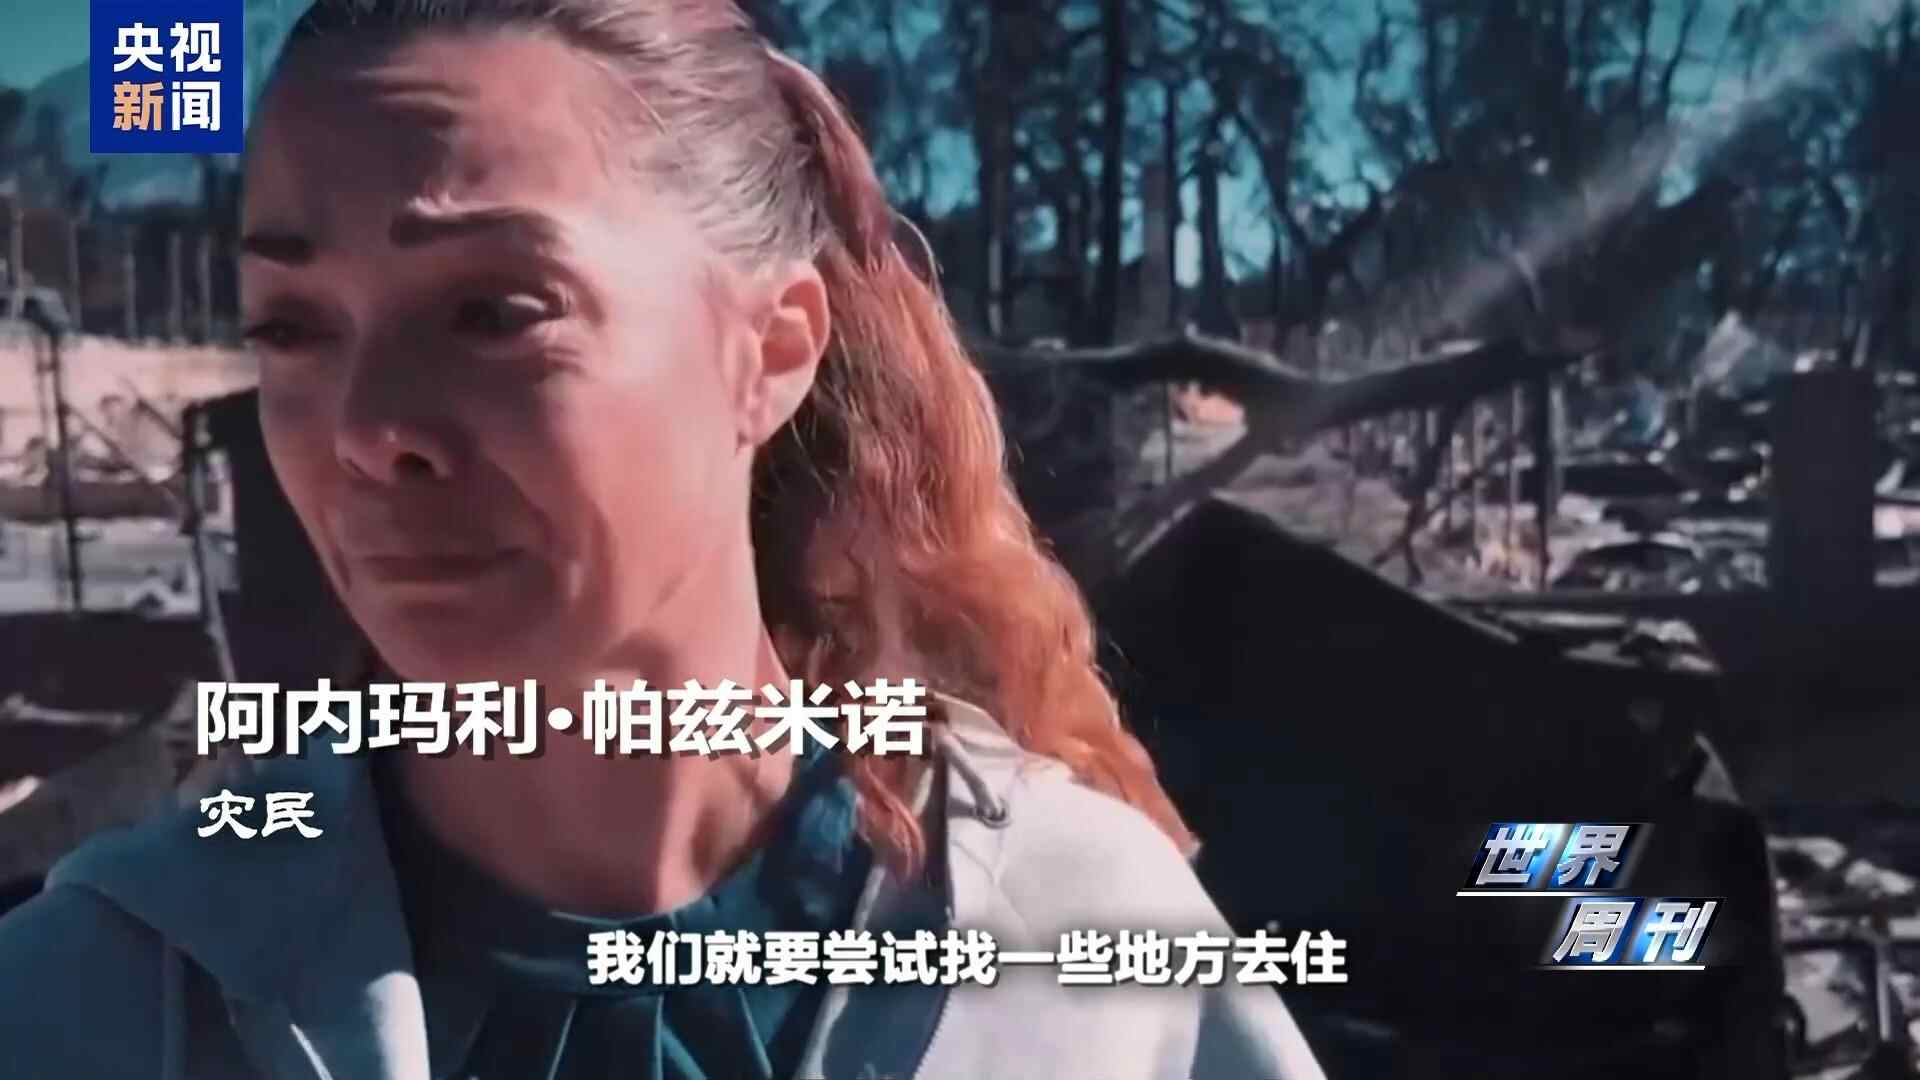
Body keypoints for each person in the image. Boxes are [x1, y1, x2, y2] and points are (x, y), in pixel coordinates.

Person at [0, 2, 1328, 1077]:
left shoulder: (1089, 959)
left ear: (773, 352)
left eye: (494, 311)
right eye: (292, 326)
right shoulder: (98, 995)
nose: (368, 429)